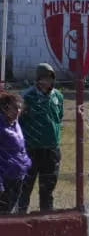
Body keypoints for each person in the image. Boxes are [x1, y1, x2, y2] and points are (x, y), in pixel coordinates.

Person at [18, 63, 64, 213]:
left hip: (51, 150)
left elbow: (59, 117)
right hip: (31, 150)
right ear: (38, 79)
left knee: (47, 189)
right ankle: (19, 218)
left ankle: (46, 218)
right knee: (25, 187)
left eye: (51, 78)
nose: (48, 81)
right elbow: (16, 120)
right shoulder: (27, 96)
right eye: (44, 77)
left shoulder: (58, 96)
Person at [0, 91, 31, 214]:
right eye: (15, 108)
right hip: (5, 178)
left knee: (11, 211)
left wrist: (26, 163)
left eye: (19, 108)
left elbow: (20, 148)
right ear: (5, 107)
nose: (18, 111)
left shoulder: (15, 123)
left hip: (18, 175)